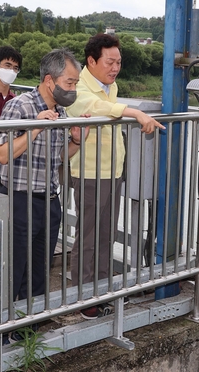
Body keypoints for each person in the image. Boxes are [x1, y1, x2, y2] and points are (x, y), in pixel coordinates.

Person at [66, 34, 164, 319]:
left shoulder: (109, 86)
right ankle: (82, 298)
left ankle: (101, 290)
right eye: (110, 62)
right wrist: (132, 111)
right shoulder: (78, 87)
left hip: (112, 172)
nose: (115, 67)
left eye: (119, 62)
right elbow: (92, 108)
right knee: (88, 236)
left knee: (106, 234)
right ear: (92, 61)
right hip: (89, 173)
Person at [0, 49, 82, 303]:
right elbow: (2, 154)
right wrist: (35, 127)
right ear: (49, 81)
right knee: (13, 267)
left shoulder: (60, 111)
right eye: (69, 83)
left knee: (40, 269)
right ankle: (4, 330)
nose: (73, 89)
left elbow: (60, 157)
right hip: (19, 200)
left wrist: (76, 141)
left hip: (50, 200)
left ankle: (29, 328)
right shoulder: (19, 106)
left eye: (75, 83)